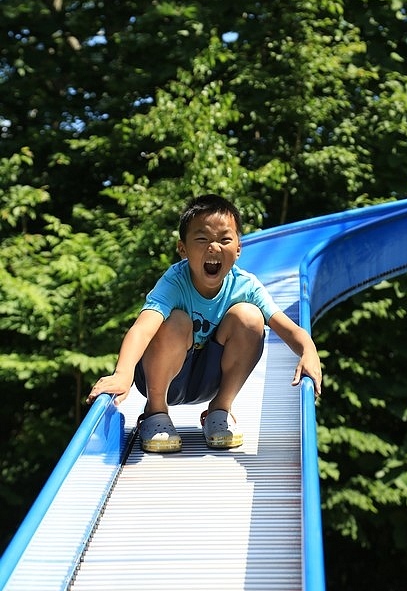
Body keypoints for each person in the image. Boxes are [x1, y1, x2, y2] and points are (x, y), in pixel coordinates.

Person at [86, 194, 322, 453]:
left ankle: (219, 410)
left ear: (239, 248)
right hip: (164, 376)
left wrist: (308, 351)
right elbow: (143, 328)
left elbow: (286, 327)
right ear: (182, 249)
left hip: (210, 381)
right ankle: (155, 411)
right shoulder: (175, 282)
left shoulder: (245, 285)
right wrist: (123, 373)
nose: (214, 247)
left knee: (250, 317)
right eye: (202, 239)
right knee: (175, 320)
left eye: (225, 239)